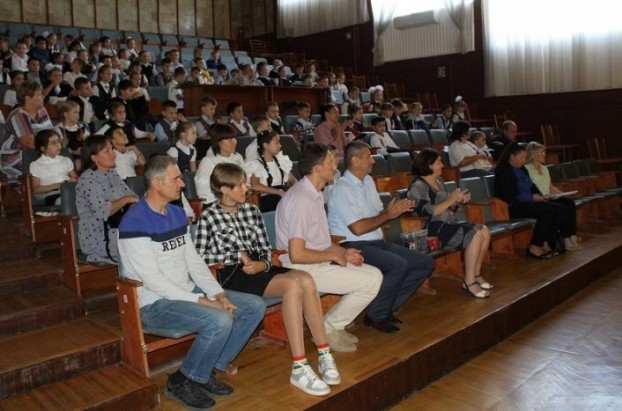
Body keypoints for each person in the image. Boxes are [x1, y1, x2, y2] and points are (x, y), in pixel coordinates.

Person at [118, 155, 265, 410]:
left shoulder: (176, 213)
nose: (183, 184)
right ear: (157, 183)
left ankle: (205, 370)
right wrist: (204, 301)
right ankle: (182, 380)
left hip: (185, 292)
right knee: (220, 319)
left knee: (254, 306)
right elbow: (153, 281)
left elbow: (194, 261)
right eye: (176, 179)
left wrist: (218, 294)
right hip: (154, 303)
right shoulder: (135, 222)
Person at [195, 162, 340, 396]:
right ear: (224, 189)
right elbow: (200, 257)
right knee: (292, 284)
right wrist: (237, 256)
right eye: (240, 185)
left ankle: (324, 353)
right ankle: (299, 366)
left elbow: (264, 249)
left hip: (258, 269)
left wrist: (262, 264)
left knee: (305, 278)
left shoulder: (252, 211)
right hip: (231, 274)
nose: (246, 188)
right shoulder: (209, 216)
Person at [275, 143, 383, 352]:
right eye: (331, 162)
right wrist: (335, 257)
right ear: (318, 168)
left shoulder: (313, 194)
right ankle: (328, 328)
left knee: (374, 274)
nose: (335, 166)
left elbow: (322, 243)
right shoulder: (301, 199)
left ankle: (331, 326)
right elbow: (296, 254)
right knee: (371, 281)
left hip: (316, 262)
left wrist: (344, 252)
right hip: (300, 270)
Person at [328, 141, 435, 331]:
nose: (373, 161)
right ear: (355, 160)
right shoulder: (341, 189)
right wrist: (388, 215)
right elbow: (357, 229)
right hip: (352, 246)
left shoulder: (368, 181)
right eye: (368, 157)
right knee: (398, 265)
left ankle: (384, 307)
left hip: (376, 242)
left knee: (425, 263)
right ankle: (377, 314)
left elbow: (377, 214)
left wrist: (393, 210)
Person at [408, 149, 493, 298]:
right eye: (439, 162)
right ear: (429, 165)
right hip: (430, 229)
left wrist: (459, 200)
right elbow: (426, 213)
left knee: (484, 230)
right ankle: (469, 282)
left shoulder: (439, 181)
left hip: (446, 223)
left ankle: (476, 274)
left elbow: (449, 207)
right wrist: (451, 199)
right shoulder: (418, 185)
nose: (442, 165)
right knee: (475, 234)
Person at [76, 134, 139, 264]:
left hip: (118, 227)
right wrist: (125, 200)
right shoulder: (88, 179)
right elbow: (102, 211)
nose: (114, 154)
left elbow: (133, 197)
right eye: (107, 151)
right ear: (94, 158)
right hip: (99, 235)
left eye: (112, 149)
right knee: (145, 242)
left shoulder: (112, 173)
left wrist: (132, 209)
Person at [494, 142, 563, 259]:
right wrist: (530, 197)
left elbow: (532, 186)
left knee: (557, 208)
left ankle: (546, 241)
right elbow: (506, 195)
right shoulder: (503, 171)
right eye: (521, 158)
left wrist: (539, 195)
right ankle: (534, 245)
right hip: (513, 206)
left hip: (527, 203)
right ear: (512, 156)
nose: (524, 161)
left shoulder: (522, 169)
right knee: (547, 211)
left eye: (525, 158)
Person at [524, 142, 581, 251]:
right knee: (561, 208)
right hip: (539, 199)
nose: (545, 154)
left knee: (569, 203)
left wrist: (563, 194)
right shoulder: (527, 169)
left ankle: (572, 236)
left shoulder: (544, 169)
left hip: (549, 197)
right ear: (534, 154)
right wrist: (542, 196)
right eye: (542, 152)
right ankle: (566, 238)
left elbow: (550, 187)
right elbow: (530, 188)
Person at [0, 81, 53, 181]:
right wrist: (51, 149)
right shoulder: (18, 115)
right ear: (27, 98)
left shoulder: (42, 111)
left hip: (38, 152)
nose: (43, 97)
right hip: (14, 157)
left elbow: (52, 135)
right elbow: (29, 143)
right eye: (39, 94)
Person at [245, 130, 297, 212]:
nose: (280, 145)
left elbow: (293, 180)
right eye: (276, 143)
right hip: (267, 200)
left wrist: (291, 191)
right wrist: (278, 192)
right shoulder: (256, 164)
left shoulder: (281, 162)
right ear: (266, 145)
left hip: (283, 197)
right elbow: (255, 185)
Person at [195, 124, 245, 205]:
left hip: (237, 200)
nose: (234, 142)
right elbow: (203, 190)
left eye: (234, 138)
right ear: (218, 142)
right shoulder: (208, 161)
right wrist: (226, 198)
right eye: (229, 139)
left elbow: (245, 180)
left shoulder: (238, 157)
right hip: (216, 203)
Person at [30, 129, 78, 206]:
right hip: (50, 195)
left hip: (68, 191)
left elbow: (75, 178)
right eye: (53, 143)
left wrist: (73, 180)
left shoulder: (65, 160)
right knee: (66, 201)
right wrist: (58, 185)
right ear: (43, 148)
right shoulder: (36, 165)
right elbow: (36, 189)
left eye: (58, 141)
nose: (58, 145)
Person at [55, 100, 90, 171]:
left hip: (84, 155)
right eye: (75, 112)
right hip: (69, 158)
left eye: (78, 112)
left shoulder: (81, 127)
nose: (78, 115)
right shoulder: (58, 129)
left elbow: (90, 143)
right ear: (66, 114)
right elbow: (61, 150)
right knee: (78, 163)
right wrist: (75, 152)